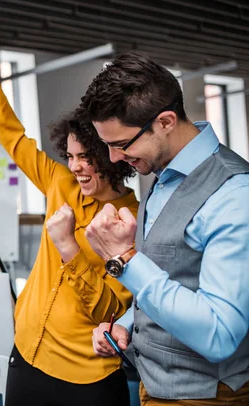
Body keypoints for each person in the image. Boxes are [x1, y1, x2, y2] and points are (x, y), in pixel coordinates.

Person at [0, 31, 138, 405]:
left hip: (87, 373)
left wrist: (68, 248)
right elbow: (12, 136)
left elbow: (110, 309)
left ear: (112, 156)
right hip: (28, 352)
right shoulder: (60, 182)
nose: (76, 167)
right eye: (71, 155)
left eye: (86, 157)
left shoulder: (133, 219)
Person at [83, 51, 249, 405]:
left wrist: (123, 258)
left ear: (166, 122)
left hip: (207, 396)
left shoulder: (235, 195)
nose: (113, 159)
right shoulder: (161, 173)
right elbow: (174, 278)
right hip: (154, 385)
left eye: (120, 144)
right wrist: (128, 323)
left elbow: (219, 334)